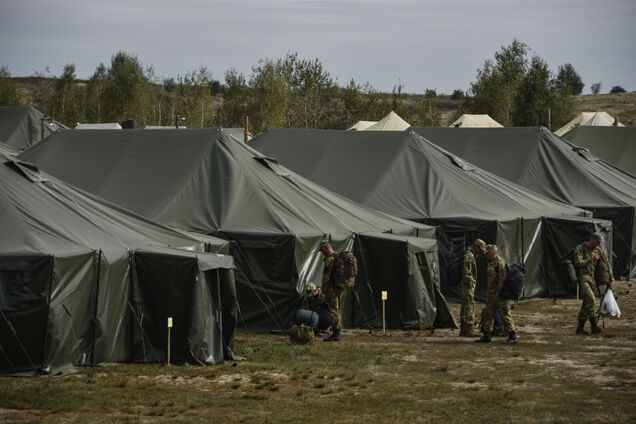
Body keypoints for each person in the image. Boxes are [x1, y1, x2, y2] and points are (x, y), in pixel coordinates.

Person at [476, 245, 519, 344]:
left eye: (488, 254)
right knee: (489, 314)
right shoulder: (491, 263)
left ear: (492, 253)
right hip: (491, 295)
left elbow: (502, 279)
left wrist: (499, 293)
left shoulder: (500, 263)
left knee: (505, 315)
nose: (486, 256)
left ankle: (513, 335)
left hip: (500, 295)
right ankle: (487, 335)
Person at [574, 232, 615, 335]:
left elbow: (606, 263)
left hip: (593, 280)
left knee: (586, 305)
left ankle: (580, 329)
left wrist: (610, 278)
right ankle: (594, 327)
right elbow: (578, 263)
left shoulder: (598, 250)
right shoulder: (580, 248)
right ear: (592, 239)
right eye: (597, 242)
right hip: (583, 278)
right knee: (592, 300)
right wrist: (590, 259)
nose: (598, 244)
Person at [320, 239, 345, 342]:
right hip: (340, 287)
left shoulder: (329, 260)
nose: (321, 252)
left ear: (326, 248)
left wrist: (323, 291)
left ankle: (336, 333)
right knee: (337, 309)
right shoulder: (338, 256)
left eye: (322, 250)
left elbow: (326, 278)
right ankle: (337, 332)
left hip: (332, 289)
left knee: (334, 310)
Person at [459, 239, 486, 337]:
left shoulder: (469, 255)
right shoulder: (469, 256)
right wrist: (470, 284)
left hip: (467, 285)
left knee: (466, 306)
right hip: (467, 286)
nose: (480, 252)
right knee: (469, 306)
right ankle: (469, 329)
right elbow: (467, 272)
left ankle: (463, 329)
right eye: (480, 249)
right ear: (476, 246)